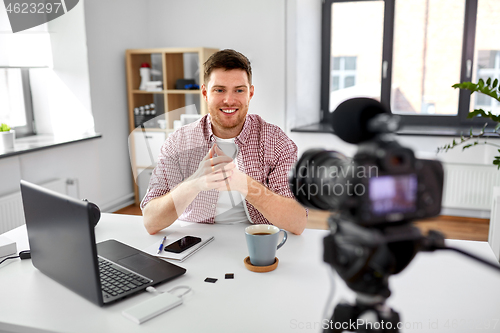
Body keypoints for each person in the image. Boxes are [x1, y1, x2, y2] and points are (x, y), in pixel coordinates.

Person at [141, 49, 307, 235]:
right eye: (219, 90)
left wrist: (243, 184)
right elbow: (150, 221)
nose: (229, 100)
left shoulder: (275, 141)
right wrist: (194, 183)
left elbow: (298, 222)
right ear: (205, 92)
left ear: (250, 94)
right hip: (194, 240)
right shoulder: (178, 142)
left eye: (239, 90)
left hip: (258, 241)